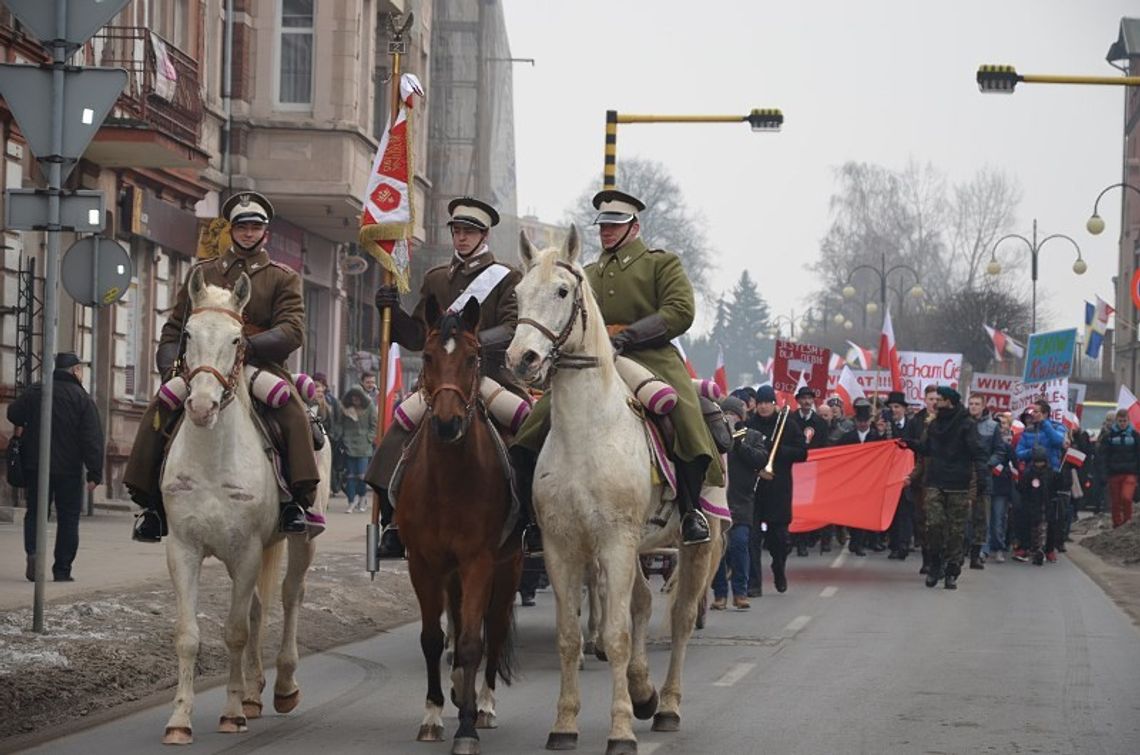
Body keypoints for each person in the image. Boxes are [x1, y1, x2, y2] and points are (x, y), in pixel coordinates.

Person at [512, 189, 724, 549]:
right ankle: (531, 520)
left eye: (615, 225)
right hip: (593, 362)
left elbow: (680, 310)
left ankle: (692, 511)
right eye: (603, 226)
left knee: (682, 414)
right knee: (530, 431)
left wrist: (630, 335)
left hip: (650, 357)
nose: (606, 231)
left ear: (634, 227)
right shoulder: (585, 273)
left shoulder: (661, 264)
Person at [123, 191, 320, 541]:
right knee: (160, 406)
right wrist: (170, 370)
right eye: (242, 227)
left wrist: (247, 346)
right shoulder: (203, 272)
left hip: (258, 364)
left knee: (291, 409)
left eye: (255, 227)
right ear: (231, 230)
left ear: (265, 232)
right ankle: (150, 503)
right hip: (204, 366)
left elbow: (293, 329)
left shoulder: (282, 277)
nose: (248, 233)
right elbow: (174, 328)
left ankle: (295, 500)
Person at [368, 197, 524, 557]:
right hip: (440, 380)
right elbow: (417, 337)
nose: (462, 237)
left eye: (470, 231)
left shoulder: (506, 277)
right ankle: (393, 522)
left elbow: (513, 327)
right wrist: (391, 311)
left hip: (488, 375)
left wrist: (469, 344)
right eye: (457, 231)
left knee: (525, 426)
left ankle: (528, 518)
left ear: (484, 235)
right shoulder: (437, 278)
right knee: (398, 429)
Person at [7, 353, 105, 582]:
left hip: (36, 466)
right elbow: (92, 438)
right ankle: (62, 569)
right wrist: (94, 473)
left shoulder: (37, 390)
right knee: (68, 518)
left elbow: (13, 413)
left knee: (36, 512)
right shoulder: (82, 398)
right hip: (69, 470)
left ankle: (33, 553)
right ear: (75, 370)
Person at [901, 386, 982, 590]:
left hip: (958, 485)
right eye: (935, 399)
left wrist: (978, 479)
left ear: (950, 402)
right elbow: (926, 448)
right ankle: (935, 563)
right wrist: (909, 443)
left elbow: (977, 452)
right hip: (935, 482)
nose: (936, 403)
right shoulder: (934, 424)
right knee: (934, 525)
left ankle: (952, 571)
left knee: (956, 531)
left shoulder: (967, 424)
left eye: (940, 399)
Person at [746, 385, 807, 594]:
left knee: (779, 540)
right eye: (760, 403)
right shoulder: (749, 425)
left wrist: (777, 450)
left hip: (779, 491)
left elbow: (802, 453)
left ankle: (779, 568)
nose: (764, 407)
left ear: (774, 404)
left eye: (768, 403)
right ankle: (754, 584)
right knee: (752, 539)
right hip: (754, 491)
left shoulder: (788, 425)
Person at [711, 396, 768, 610]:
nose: (730, 418)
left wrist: (739, 444)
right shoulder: (714, 436)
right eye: (726, 414)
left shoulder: (752, 436)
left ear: (741, 417)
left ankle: (740, 593)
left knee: (740, 544)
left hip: (742, 501)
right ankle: (719, 594)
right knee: (718, 548)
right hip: (718, 500)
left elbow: (760, 459)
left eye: (734, 414)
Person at [835, 398, 882, 557]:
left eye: (865, 421)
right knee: (853, 513)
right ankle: (855, 541)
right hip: (852, 480)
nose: (863, 424)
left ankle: (862, 543)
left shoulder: (876, 437)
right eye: (860, 421)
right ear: (856, 421)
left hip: (871, 480)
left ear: (870, 421)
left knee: (866, 513)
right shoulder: (847, 438)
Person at [790, 386, 829, 557]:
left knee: (806, 505)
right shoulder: (790, 420)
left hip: (811, 470)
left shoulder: (819, 422)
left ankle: (803, 541)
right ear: (798, 400)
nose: (806, 401)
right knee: (792, 504)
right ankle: (791, 538)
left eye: (809, 398)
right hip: (793, 467)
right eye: (803, 398)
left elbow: (824, 445)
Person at [966, 394, 1000, 570]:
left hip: (983, 477)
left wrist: (987, 465)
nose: (973, 407)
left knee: (981, 518)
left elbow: (999, 451)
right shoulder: (963, 423)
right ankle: (960, 551)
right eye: (971, 403)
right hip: (964, 476)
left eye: (977, 404)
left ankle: (976, 554)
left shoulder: (992, 426)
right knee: (963, 517)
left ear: (983, 406)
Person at [336, 385, 378, 513]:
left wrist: (369, 438)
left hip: (364, 446)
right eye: (353, 398)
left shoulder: (370, 406)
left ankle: (362, 497)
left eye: (357, 398)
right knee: (350, 475)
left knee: (362, 475)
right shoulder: (345, 408)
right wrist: (341, 437)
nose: (355, 401)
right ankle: (351, 501)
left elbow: (374, 424)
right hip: (348, 444)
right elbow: (340, 424)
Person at [884, 391, 914, 560]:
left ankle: (904, 544)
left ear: (903, 409)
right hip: (890, 475)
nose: (894, 410)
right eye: (892, 407)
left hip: (907, 475)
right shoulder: (887, 426)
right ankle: (894, 544)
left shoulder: (912, 425)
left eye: (897, 407)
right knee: (893, 511)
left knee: (906, 511)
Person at [1018, 446, 1059, 566]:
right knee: (1028, 526)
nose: (1039, 464)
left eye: (1041, 462)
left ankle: (1049, 550)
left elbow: (1056, 487)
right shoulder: (1028, 473)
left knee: (1049, 527)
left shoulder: (1051, 473)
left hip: (1047, 504)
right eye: (1037, 462)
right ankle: (1026, 547)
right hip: (1031, 503)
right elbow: (1022, 488)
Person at [1098, 409, 1139, 528]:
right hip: (1114, 473)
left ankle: (1127, 521)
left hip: (1130, 472)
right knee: (1115, 501)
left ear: (1128, 420)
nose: (1122, 423)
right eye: (1120, 421)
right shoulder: (1109, 436)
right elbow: (1103, 456)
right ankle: (1117, 524)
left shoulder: (1135, 436)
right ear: (1117, 421)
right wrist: (1104, 473)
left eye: (1124, 421)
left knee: (1126, 498)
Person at [984, 411, 1014, 563]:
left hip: (1001, 488)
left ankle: (998, 548)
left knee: (998, 520)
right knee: (985, 520)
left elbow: (1015, 464)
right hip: (986, 485)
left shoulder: (1007, 446)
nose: (999, 427)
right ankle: (984, 549)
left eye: (1002, 424)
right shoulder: (985, 443)